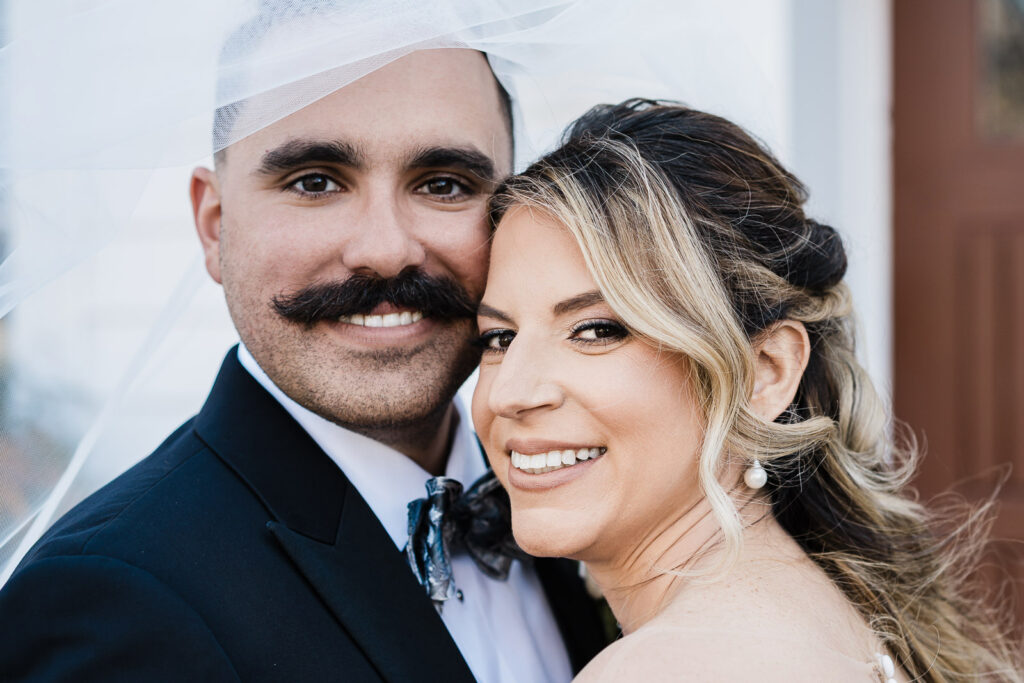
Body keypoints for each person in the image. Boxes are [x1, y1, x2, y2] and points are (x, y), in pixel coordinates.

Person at [0, 40, 607, 683]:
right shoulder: (110, 601)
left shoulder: (590, 495)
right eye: (315, 183)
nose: (386, 250)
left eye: (444, 185)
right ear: (214, 223)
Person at [473, 99, 1023, 682]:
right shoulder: (826, 610)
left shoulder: (667, 669)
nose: (510, 393)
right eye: (498, 337)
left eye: (596, 330)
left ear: (765, 371)